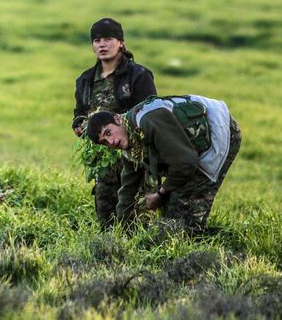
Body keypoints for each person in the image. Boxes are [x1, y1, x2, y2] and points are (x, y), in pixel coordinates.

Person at [86, 95, 242, 233]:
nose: (112, 141)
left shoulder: (148, 121)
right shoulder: (131, 147)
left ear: (118, 119)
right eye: (104, 142)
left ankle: (213, 243)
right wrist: (120, 229)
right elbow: (128, 189)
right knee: (171, 214)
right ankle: (196, 233)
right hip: (189, 152)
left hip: (219, 131)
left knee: (181, 222)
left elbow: (186, 163)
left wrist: (160, 193)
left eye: (108, 132)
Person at [72, 17, 157, 228]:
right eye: (97, 40)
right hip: (103, 162)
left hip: (136, 159)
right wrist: (80, 125)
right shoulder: (85, 80)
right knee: (105, 216)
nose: (102, 44)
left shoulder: (139, 76)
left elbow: (150, 115)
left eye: (108, 38)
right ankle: (108, 255)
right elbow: (79, 113)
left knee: (137, 218)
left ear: (121, 42)